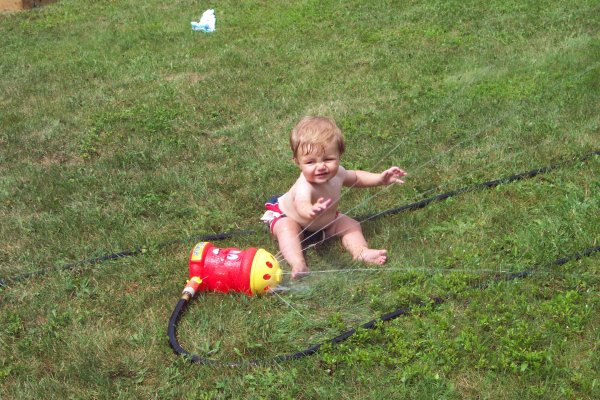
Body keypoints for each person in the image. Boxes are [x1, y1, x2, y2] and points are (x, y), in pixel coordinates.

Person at [261, 116, 407, 279]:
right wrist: (310, 210)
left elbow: (357, 177)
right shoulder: (305, 185)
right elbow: (301, 203)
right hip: (291, 218)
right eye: (310, 162)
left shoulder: (338, 173)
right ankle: (298, 263)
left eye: (329, 159)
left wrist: (380, 179)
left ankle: (361, 252)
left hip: (325, 220)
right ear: (297, 162)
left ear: (339, 155)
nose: (321, 166)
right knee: (286, 230)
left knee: (351, 225)